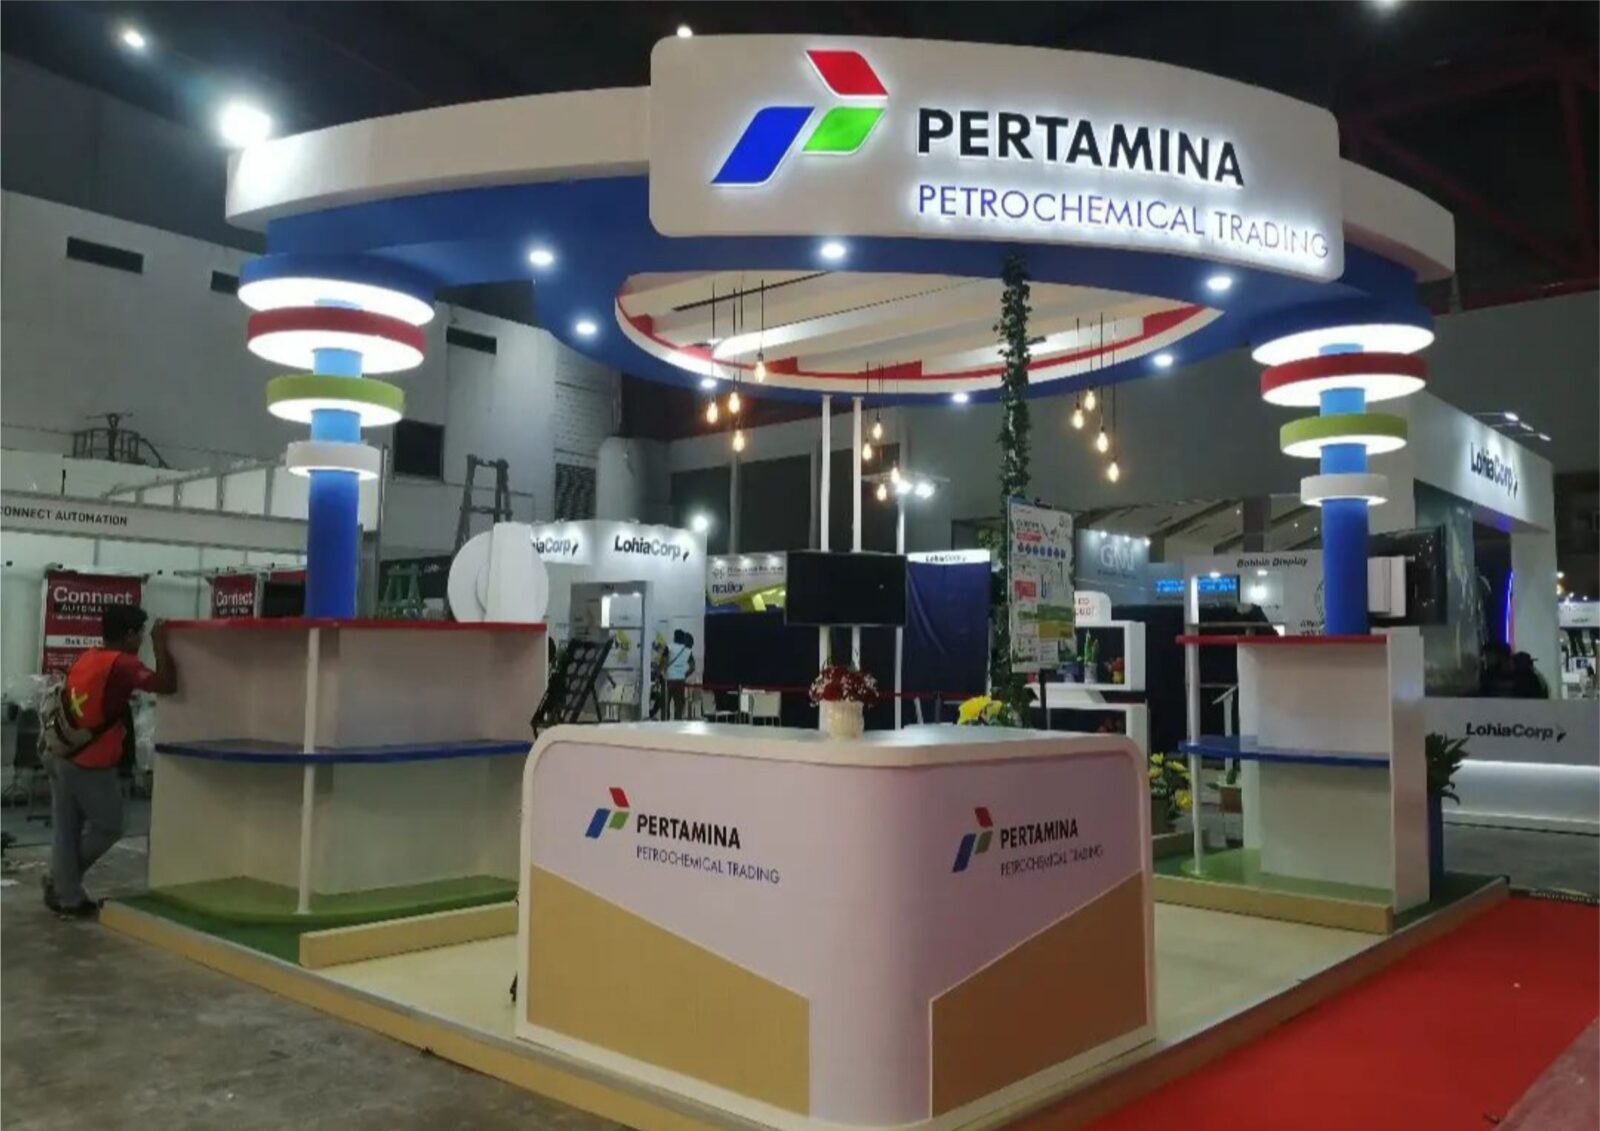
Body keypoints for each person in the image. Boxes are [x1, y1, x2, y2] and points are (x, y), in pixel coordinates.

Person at [45, 605, 178, 918]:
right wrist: (161, 642)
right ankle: (61, 883)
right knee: (111, 825)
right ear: (130, 635)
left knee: (66, 830)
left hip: (59, 751)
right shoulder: (122, 664)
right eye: (141, 633)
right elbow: (167, 684)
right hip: (88, 762)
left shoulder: (90, 656)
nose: (142, 639)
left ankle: (68, 897)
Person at [665, 629, 696, 719]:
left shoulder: (670, 648)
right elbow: (692, 667)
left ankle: (665, 722)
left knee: (665, 705)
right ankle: (677, 723)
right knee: (679, 706)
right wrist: (684, 674)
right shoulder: (687, 651)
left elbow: (663, 662)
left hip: (669, 680)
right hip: (680, 681)